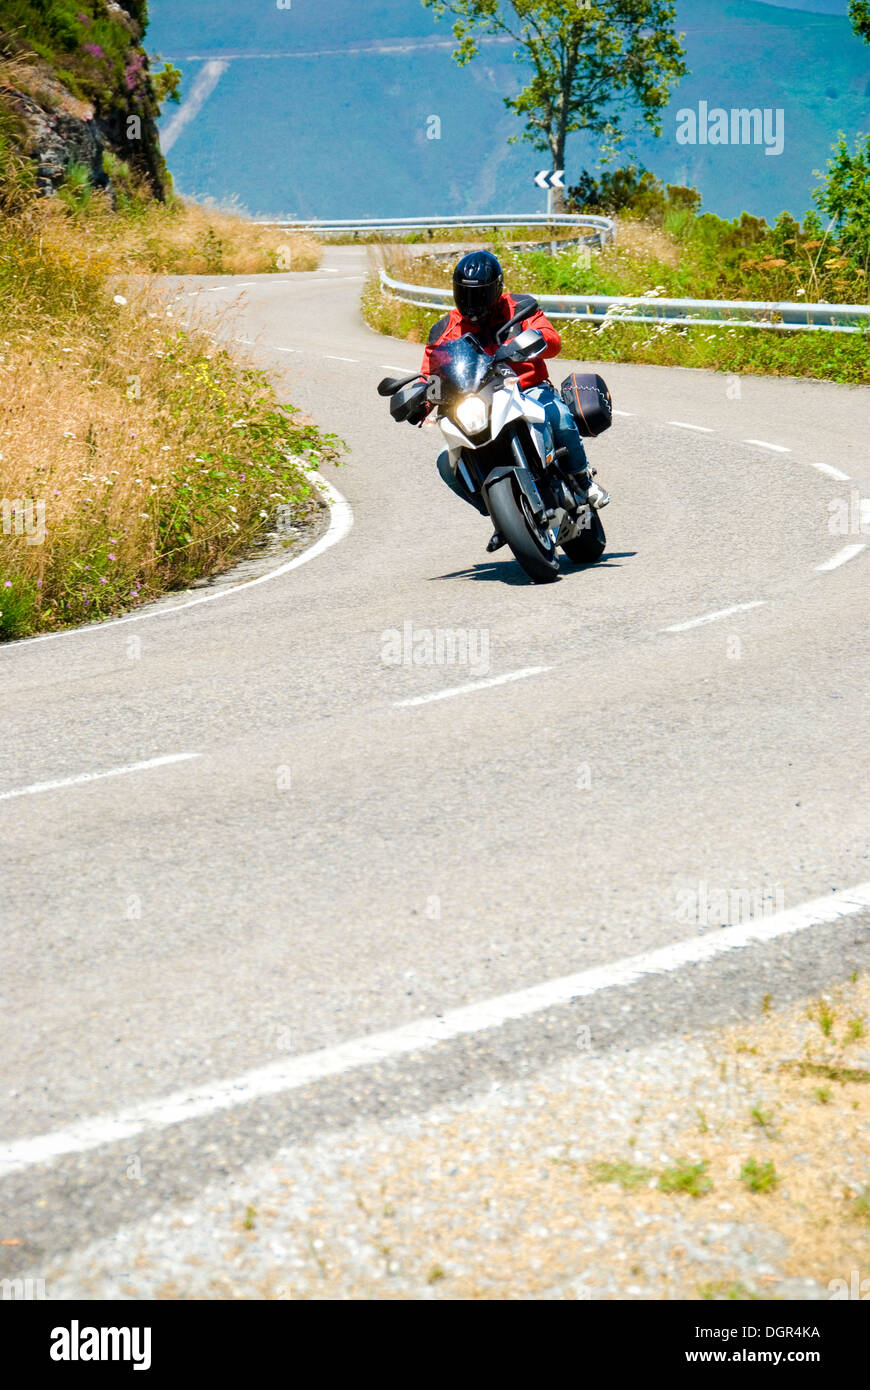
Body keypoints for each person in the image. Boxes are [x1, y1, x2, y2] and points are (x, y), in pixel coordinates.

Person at [419, 250, 609, 552]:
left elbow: (551, 337)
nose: (472, 302)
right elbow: (429, 374)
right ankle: (501, 514)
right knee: (446, 463)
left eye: (479, 294)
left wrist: (533, 341)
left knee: (557, 413)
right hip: (476, 404)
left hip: (527, 389)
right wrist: (420, 397)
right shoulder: (443, 331)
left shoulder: (519, 306)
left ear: (495, 289)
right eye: (466, 294)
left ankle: (583, 480)